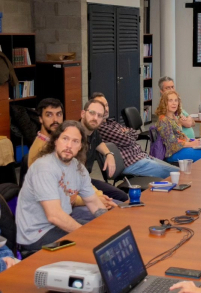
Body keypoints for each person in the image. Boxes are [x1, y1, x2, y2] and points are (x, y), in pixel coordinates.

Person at [16, 121, 108, 251]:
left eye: (75, 141)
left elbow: (93, 202)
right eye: (65, 139)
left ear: (80, 146)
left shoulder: (78, 168)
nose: (69, 145)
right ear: (55, 141)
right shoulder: (44, 168)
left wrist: (109, 225)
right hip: (36, 235)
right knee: (91, 243)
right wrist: (84, 235)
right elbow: (54, 216)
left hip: (59, 225)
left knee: (103, 235)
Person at [28, 98, 118, 213]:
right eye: (49, 115)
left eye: (59, 114)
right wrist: (94, 199)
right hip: (60, 210)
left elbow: (79, 176)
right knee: (109, 216)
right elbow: (62, 196)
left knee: (117, 206)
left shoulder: (61, 143)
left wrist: (99, 196)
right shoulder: (41, 152)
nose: (55, 120)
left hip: (78, 195)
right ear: (40, 119)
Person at [91, 92, 179, 178]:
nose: (106, 109)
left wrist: (127, 133)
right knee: (177, 173)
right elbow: (128, 140)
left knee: (177, 170)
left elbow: (135, 134)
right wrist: (126, 133)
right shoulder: (101, 127)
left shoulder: (111, 122)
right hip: (131, 163)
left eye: (106, 105)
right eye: (102, 106)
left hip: (140, 157)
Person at [80, 99, 128, 202]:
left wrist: (109, 154)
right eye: (92, 113)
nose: (95, 118)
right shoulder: (74, 136)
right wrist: (97, 196)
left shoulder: (93, 132)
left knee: (122, 197)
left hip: (86, 181)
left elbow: (99, 143)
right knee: (113, 203)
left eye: (99, 115)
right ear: (83, 113)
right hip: (74, 186)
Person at [156, 90, 201, 163]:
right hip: (172, 152)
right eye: (170, 100)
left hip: (182, 146)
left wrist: (192, 140)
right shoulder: (163, 120)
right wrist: (191, 144)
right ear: (164, 103)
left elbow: (180, 136)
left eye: (176, 100)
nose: (174, 103)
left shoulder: (174, 117)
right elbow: (172, 143)